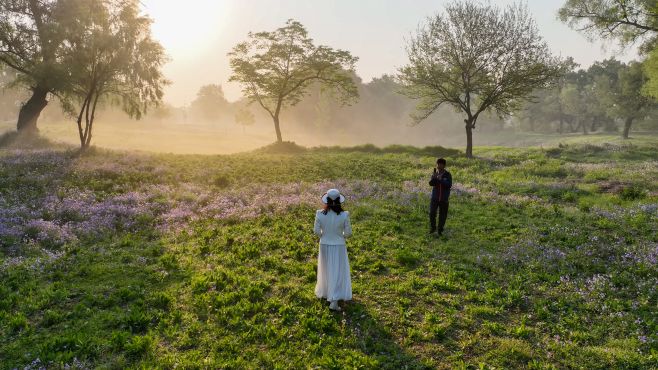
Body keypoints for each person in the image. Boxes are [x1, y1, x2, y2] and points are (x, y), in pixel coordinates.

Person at [313, 188, 353, 311]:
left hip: (324, 244)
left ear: (327, 201)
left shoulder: (319, 213)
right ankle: (334, 299)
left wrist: (324, 235)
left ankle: (327, 293)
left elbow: (316, 232)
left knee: (326, 269)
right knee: (337, 270)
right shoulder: (344, 215)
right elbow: (348, 233)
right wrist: (339, 234)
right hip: (339, 245)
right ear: (339, 201)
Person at [429, 158, 452, 236]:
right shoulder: (435, 174)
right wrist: (434, 178)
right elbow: (431, 184)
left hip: (444, 199)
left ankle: (440, 230)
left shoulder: (448, 175)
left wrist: (440, 179)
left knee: (443, 215)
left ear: (444, 165)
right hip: (434, 198)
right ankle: (433, 228)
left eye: (441, 164)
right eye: (438, 164)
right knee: (432, 213)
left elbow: (449, 185)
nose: (439, 166)